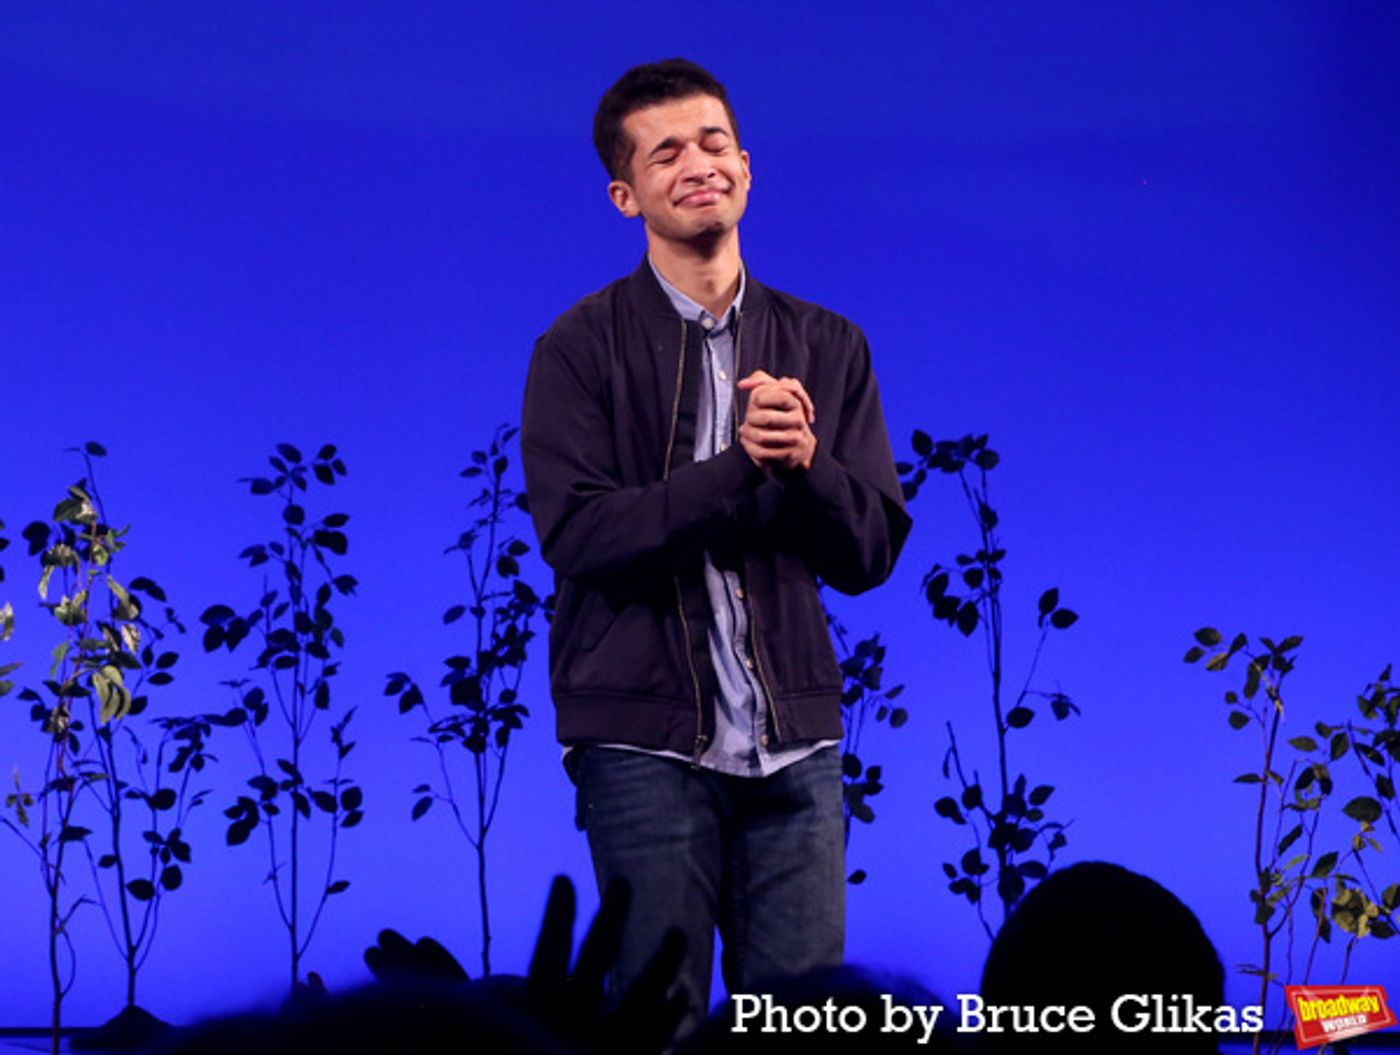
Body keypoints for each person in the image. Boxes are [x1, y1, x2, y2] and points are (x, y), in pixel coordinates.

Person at [521, 57, 911, 1043]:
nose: (696, 163)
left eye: (711, 142)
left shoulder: (829, 343)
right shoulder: (577, 348)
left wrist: (807, 462)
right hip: (642, 741)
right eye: (665, 152)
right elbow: (579, 533)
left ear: (744, 162)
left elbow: (867, 550)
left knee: (804, 1029)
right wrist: (739, 465)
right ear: (626, 194)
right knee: (663, 1026)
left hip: (797, 750)